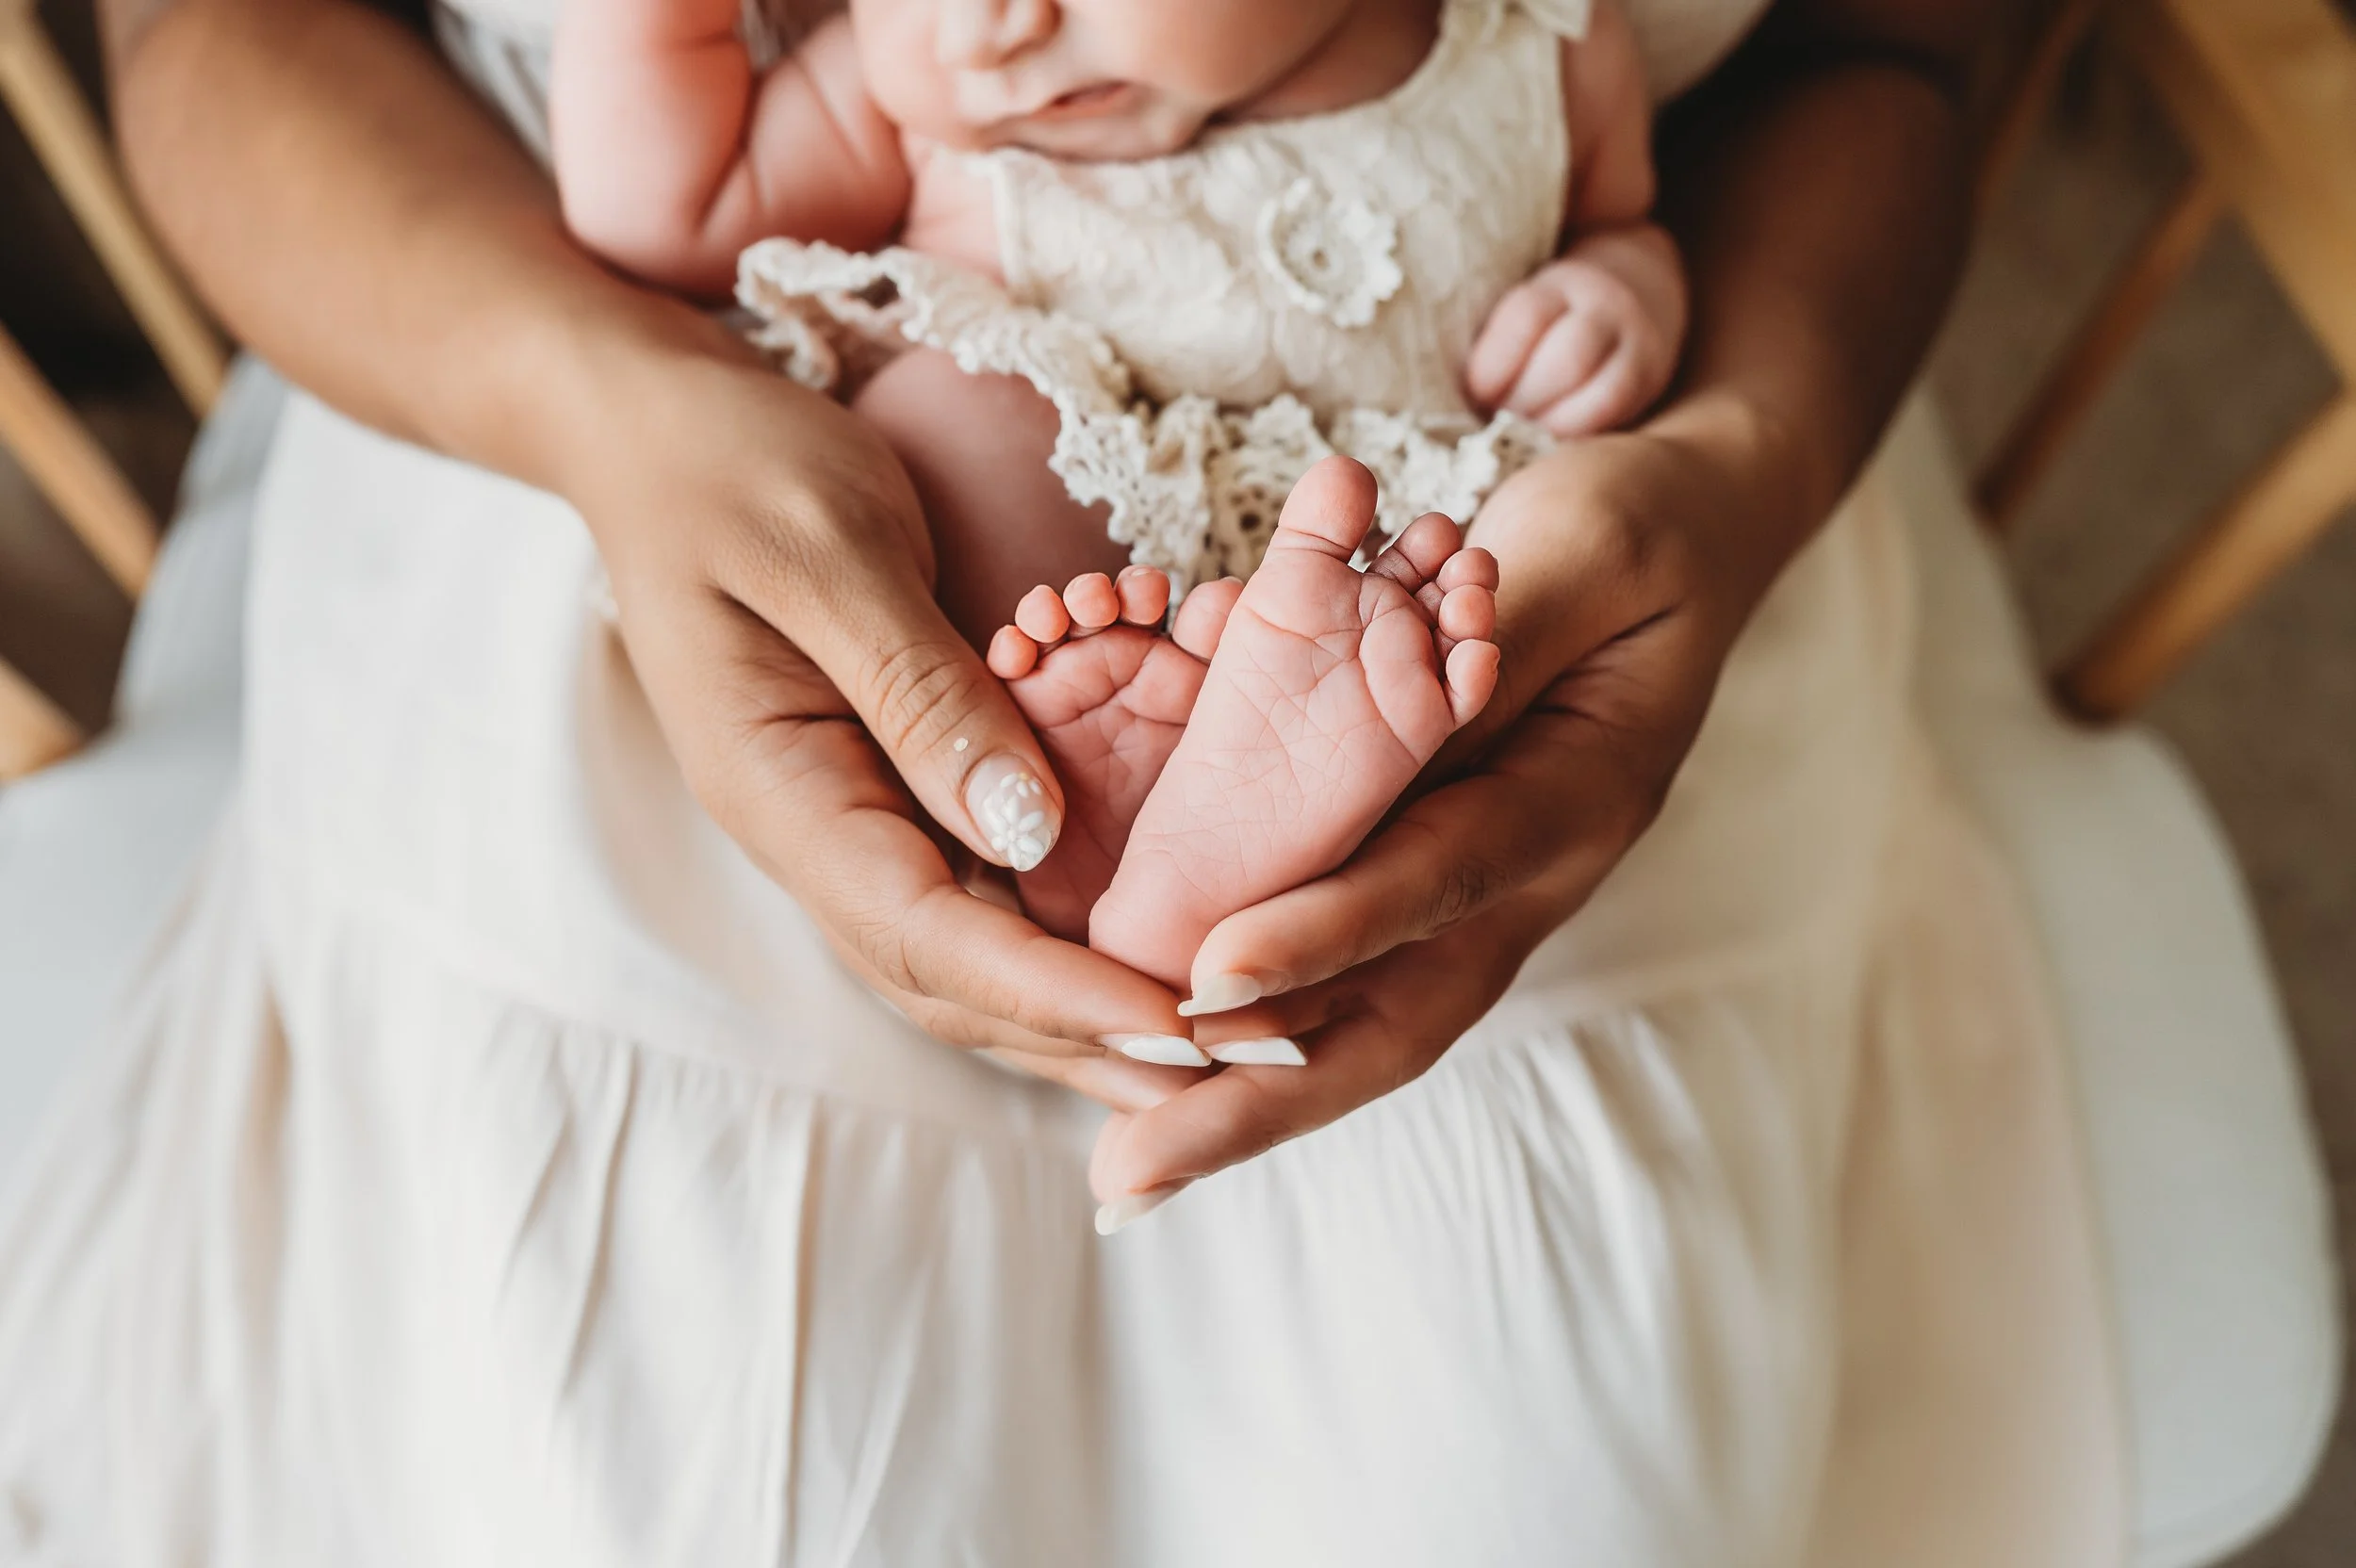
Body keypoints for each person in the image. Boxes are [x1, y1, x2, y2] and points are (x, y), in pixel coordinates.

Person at [0, 0, 2126, 1561]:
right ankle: (1148, 822)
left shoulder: (1529, 44)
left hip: (1493, 500)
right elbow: (610, 181)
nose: (994, 21)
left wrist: (1674, 379)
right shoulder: (935, 76)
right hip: (657, 395)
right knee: (657, 1486)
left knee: (1548, 1497)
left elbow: (1862, 54)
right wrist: (615, 391)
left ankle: (1223, 820)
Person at [548, 0, 1678, 977]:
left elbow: (1619, 214)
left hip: (1390, 564)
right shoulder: (906, 108)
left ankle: (1249, 818)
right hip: (1088, 549)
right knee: (951, 420)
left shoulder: (1533, 37)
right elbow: (670, 211)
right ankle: (1113, 816)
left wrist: (1619, 290)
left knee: (1531, 555)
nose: (989, 29)